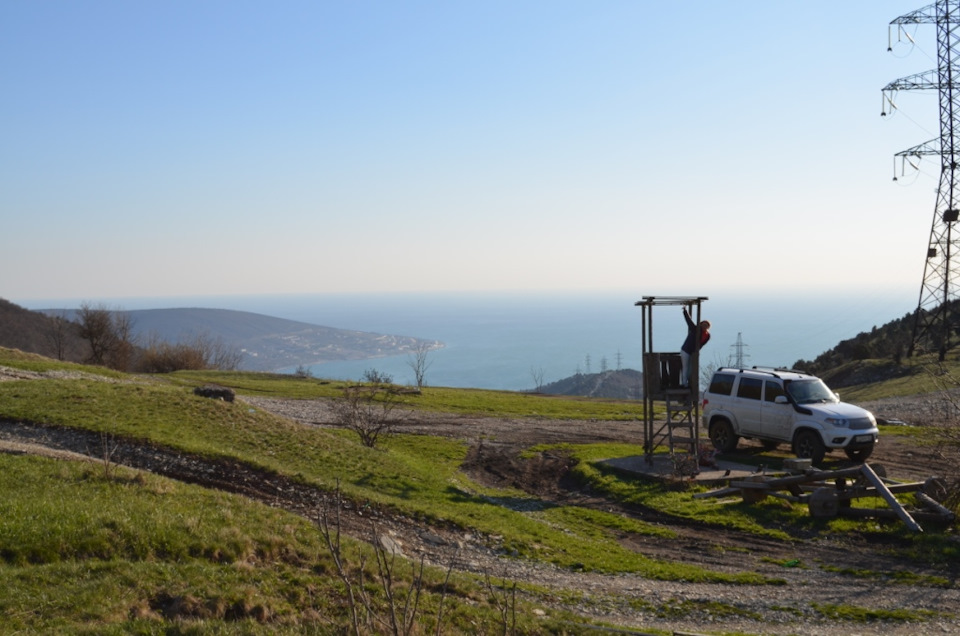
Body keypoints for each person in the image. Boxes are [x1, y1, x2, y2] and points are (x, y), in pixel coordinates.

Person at [680, 306, 710, 388]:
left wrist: (697, 351)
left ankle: (688, 383)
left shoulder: (707, 335)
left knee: (691, 368)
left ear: (708, 327)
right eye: (703, 325)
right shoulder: (696, 329)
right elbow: (689, 321)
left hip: (693, 353)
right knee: (685, 367)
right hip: (686, 350)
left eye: (706, 325)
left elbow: (701, 344)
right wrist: (685, 311)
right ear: (700, 324)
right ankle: (684, 384)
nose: (704, 326)